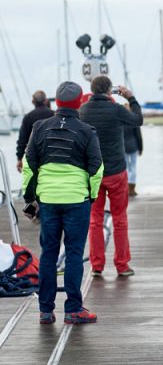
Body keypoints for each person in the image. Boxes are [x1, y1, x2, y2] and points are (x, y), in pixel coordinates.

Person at [22, 81, 102, 324]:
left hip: (48, 200)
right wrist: (92, 196)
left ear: (56, 101)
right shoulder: (87, 131)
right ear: (79, 102)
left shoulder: (39, 127)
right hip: (77, 200)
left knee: (48, 253)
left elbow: (29, 165)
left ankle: (45, 311)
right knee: (75, 254)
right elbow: (96, 169)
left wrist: (29, 198)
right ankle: (73, 309)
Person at [79, 76, 142, 278]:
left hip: (93, 173)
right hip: (116, 172)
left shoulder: (83, 111)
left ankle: (97, 265)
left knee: (95, 220)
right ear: (110, 91)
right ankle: (122, 265)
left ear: (92, 90)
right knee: (120, 219)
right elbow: (138, 120)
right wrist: (131, 98)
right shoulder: (116, 109)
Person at [15, 90, 54, 173]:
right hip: (51, 156)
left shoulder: (28, 117)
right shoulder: (53, 114)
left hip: (32, 155)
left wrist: (19, 158)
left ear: (33, 101)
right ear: (46, 100)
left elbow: (22, 139)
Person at [122, 103, 143, 197]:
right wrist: (141, 148)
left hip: (123, 146)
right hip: (133, 146)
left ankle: (126, 188)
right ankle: (132, 188)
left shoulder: (120, 120)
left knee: (125, 168)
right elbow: (138, 136)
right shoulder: (133, 119)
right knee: (133, 167)